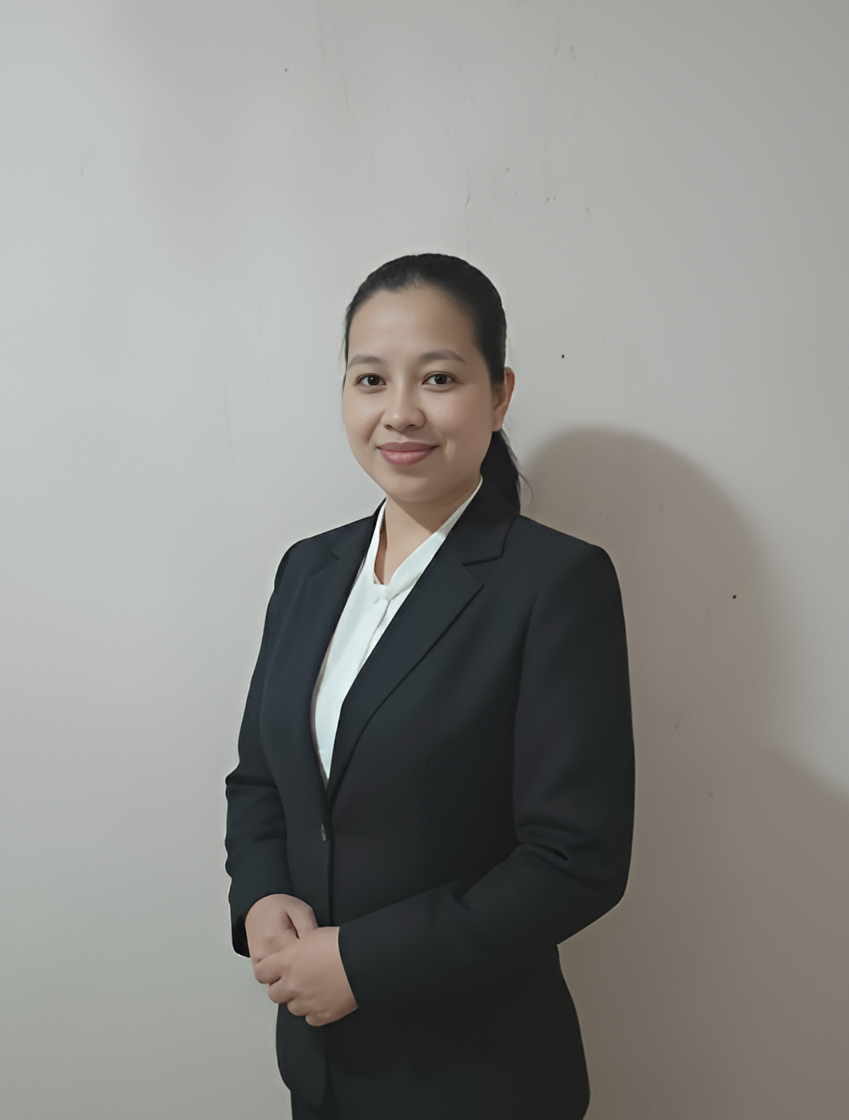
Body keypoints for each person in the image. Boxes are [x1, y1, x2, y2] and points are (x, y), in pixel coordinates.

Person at [224, 253, 634, 1120]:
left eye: (439, 377)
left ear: (500, 393)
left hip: (477, 1076)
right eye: (370, 378)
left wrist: (359, 964)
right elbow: (262, 779)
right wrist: (260, 898)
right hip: (322, 1069)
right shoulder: (309, 569)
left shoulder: (555, 583)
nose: (399, 412)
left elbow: (575, 860)